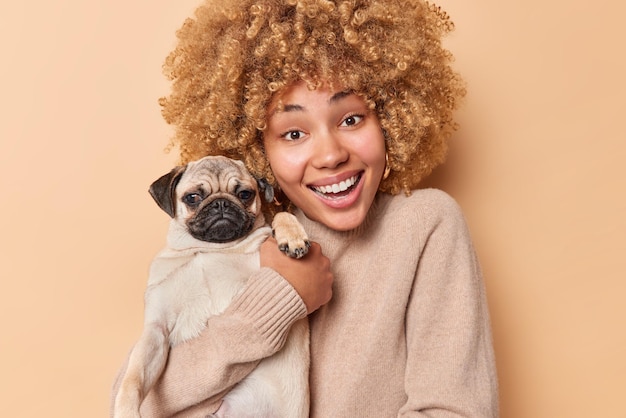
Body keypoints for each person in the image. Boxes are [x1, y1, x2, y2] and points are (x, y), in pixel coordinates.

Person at [112, 0, 499, 416]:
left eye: (351, 119)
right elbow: (136, 398)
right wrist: (279, 298)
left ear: (390, 118)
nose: (330, 155)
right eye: (294, 132)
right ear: (256, 149)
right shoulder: (244, 240)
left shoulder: (426, 224)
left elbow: (455, 409)